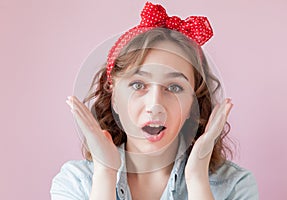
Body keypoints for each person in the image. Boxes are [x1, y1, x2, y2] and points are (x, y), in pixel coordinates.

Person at [51, 2, 259, 199]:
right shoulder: (75, 182)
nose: (155, 105)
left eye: (174, 87)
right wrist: (105, 172)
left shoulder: (235, 185)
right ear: (114, 96)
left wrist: (197, 176)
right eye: (138, 85)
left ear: (192, 105)